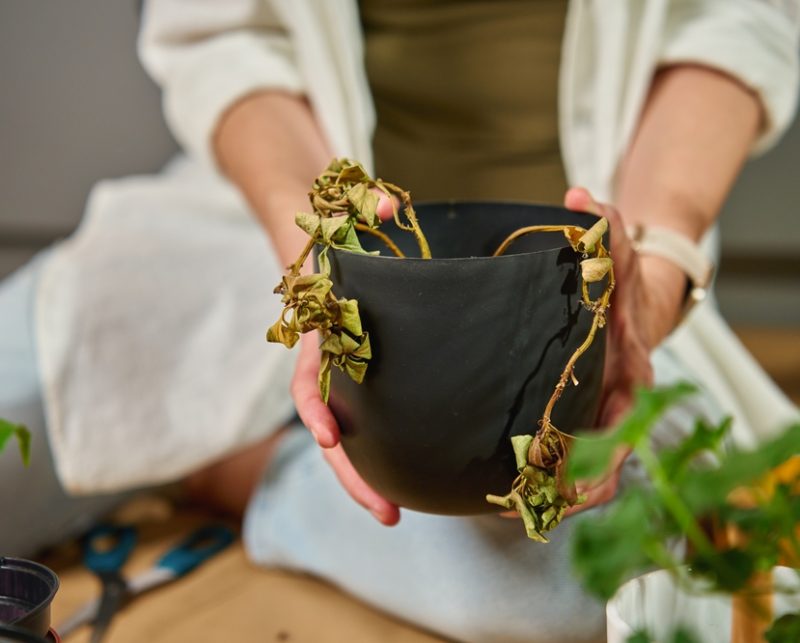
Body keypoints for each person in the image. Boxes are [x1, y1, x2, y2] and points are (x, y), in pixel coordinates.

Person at [1, 0, 798, 640]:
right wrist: (320, 250)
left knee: (567, 582)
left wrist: (652, 279)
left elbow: (736, 24)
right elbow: (225, 35)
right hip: (267, 229)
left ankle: (244, 464)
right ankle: (227, 434)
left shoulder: (604, 286)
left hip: (566, 287)